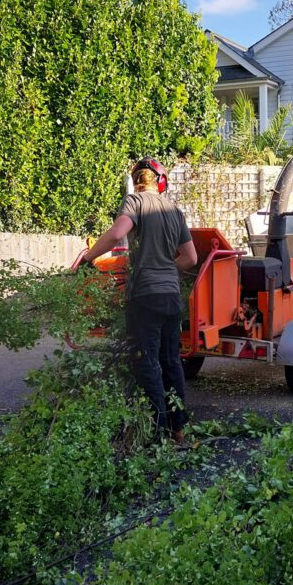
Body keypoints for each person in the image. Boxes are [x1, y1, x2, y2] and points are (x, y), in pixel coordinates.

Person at [79, 157, 197, 441]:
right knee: (171, 361)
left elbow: (118, 233)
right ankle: (179, 427)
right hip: (171, 297)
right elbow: (191, 258)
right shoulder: (175, 211)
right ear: (161, 182)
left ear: (137, 181)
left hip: (144, 296)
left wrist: (89, 257)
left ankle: (156, 432)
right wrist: (168, 270)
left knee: (147, 363)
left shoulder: (134, 202)